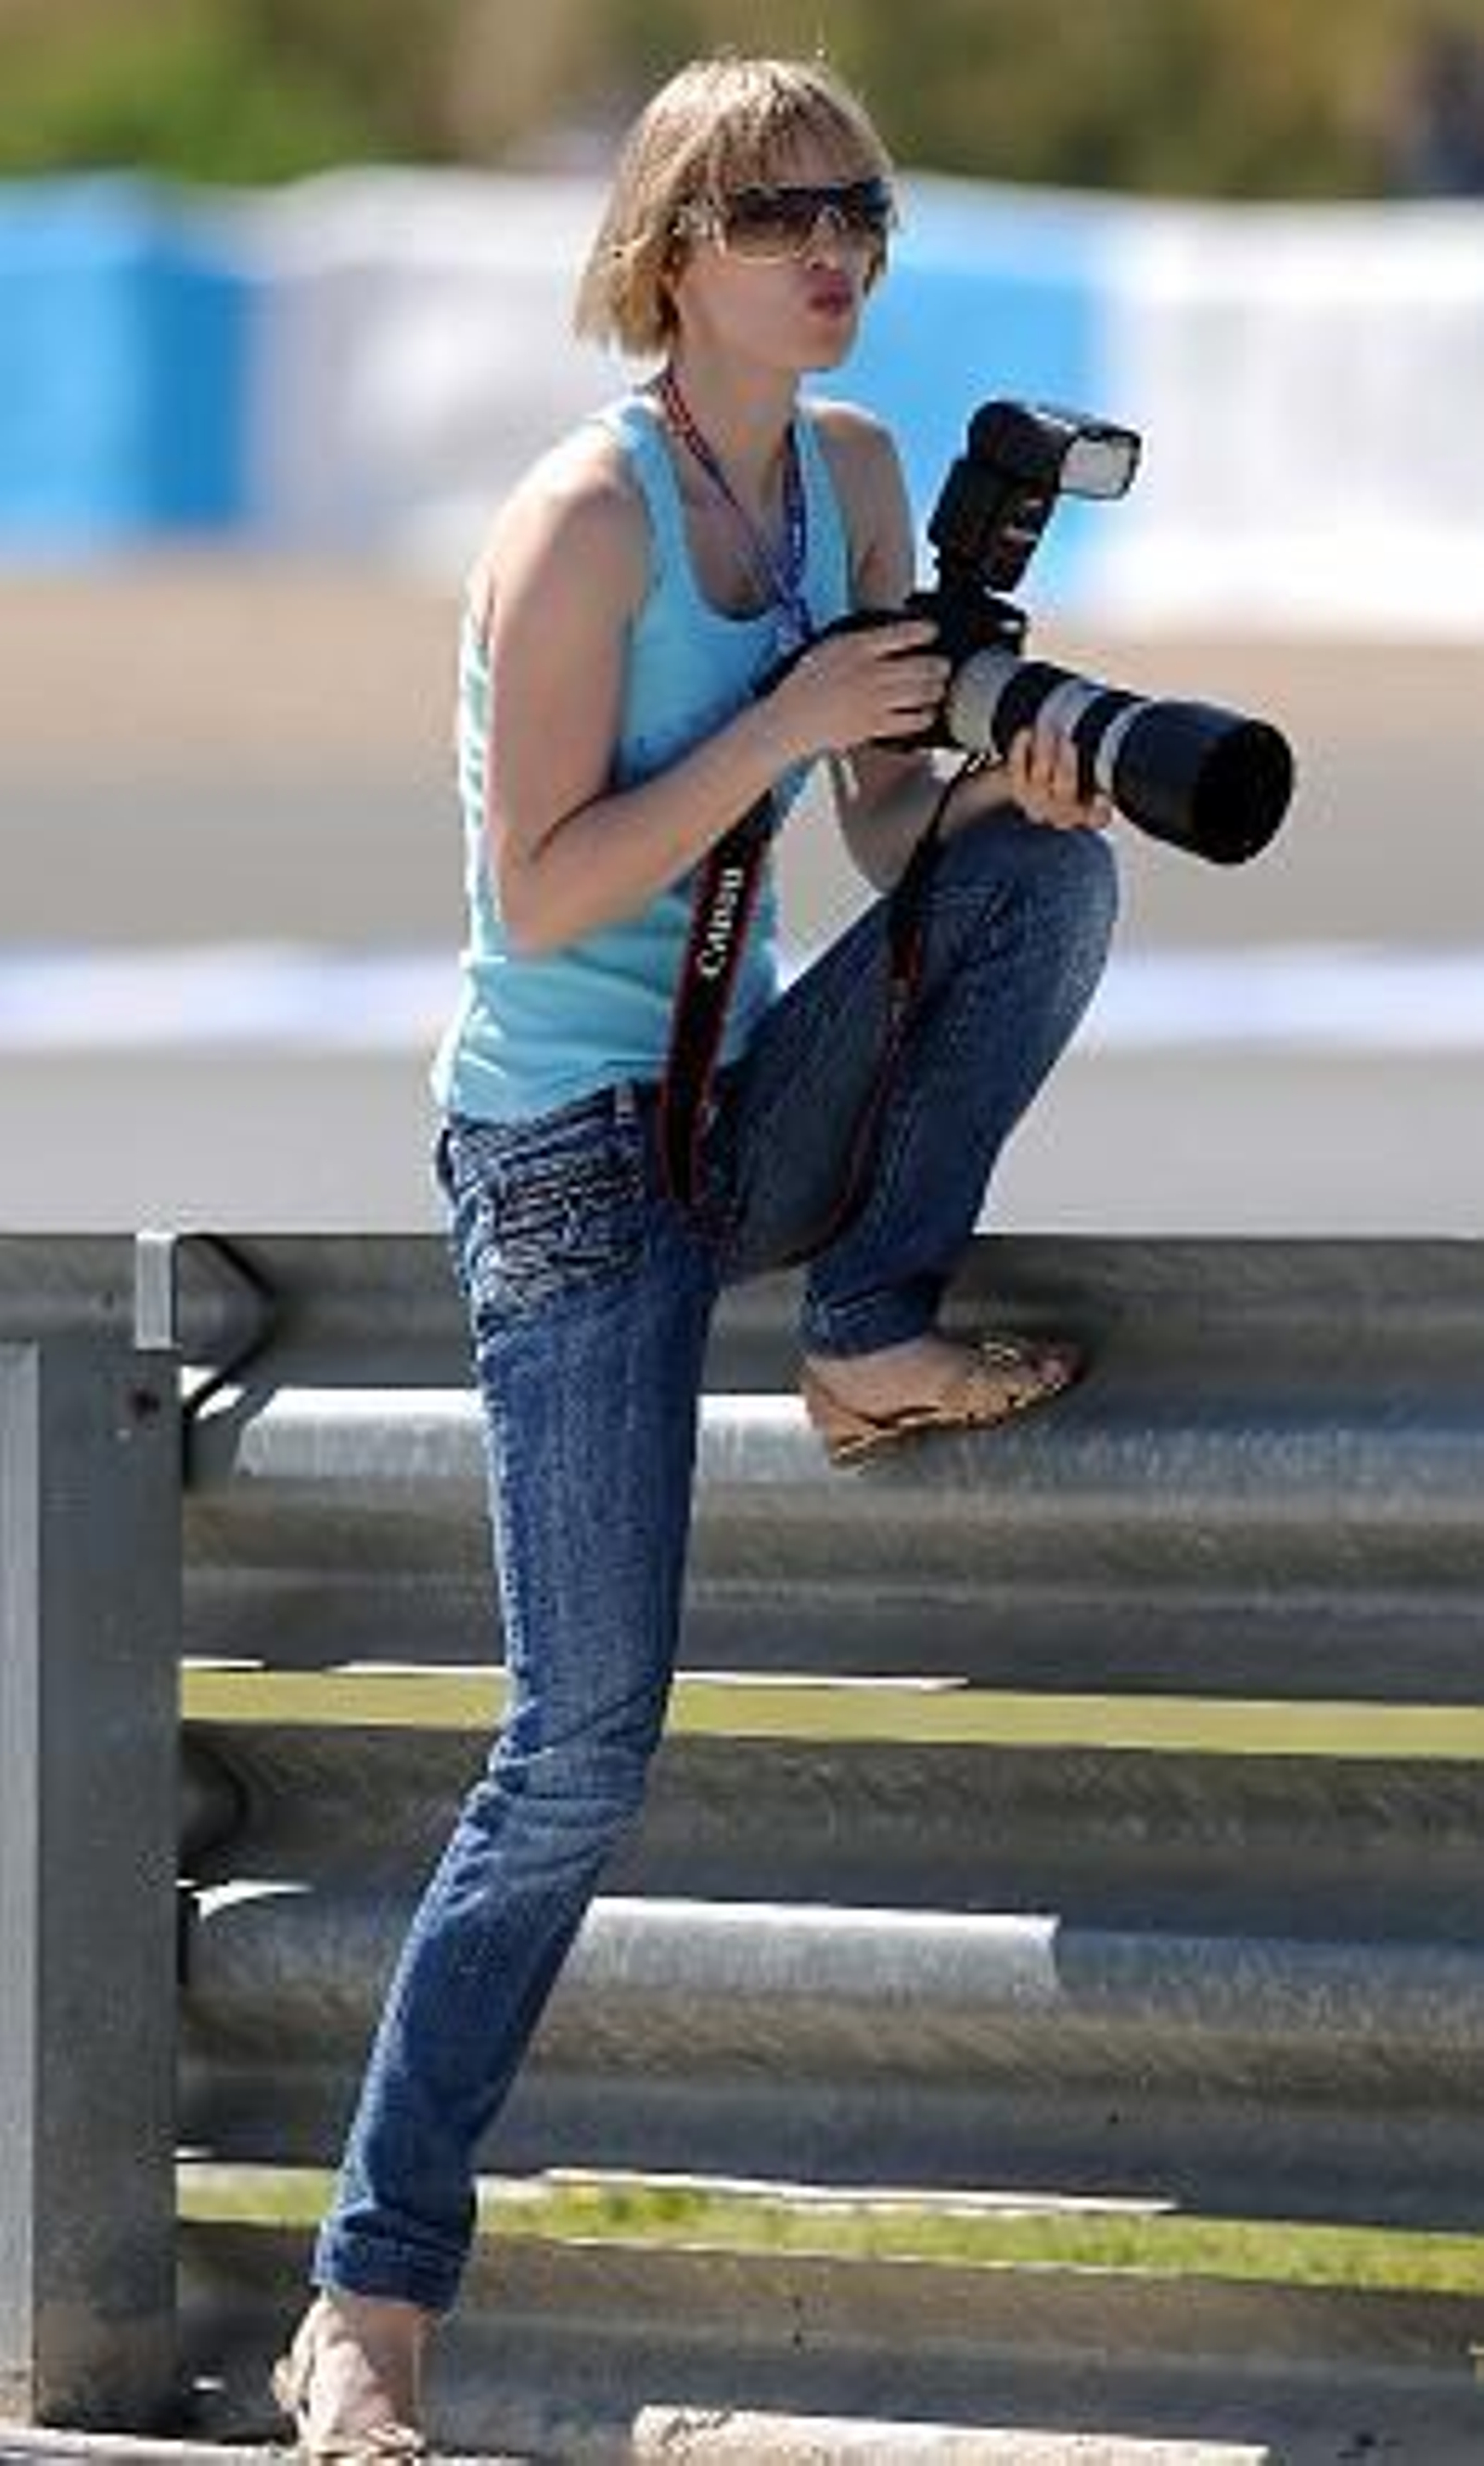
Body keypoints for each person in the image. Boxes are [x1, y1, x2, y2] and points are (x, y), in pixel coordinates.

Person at [272, 50, 1117, 2458]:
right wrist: (782, 724)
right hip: (561, 1156)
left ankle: (863, 1332)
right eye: (782, 218)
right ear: (671, 254)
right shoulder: (581, 523)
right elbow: (538, 892)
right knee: (577, 1752)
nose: (836, 252)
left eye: (863, 211)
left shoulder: (853, 473)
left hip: (735, 1113)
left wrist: (986, 779)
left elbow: (876, 833)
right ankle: (370, 2309)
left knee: (1047, 877)